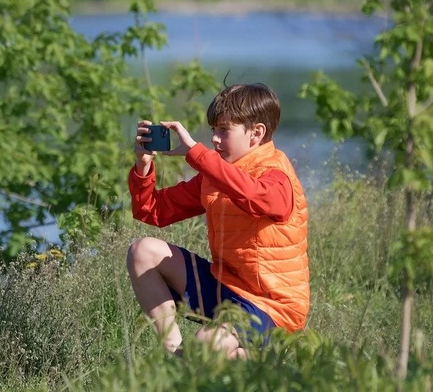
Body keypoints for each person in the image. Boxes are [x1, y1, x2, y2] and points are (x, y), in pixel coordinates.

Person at [127, 83, 309, 359]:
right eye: (213, 129)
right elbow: (153, 210)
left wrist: (199, 156)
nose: (214, 138)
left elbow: (254, 196)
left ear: (256, 133)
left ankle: (264, 360)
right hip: (225, 287)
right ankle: (175, 357)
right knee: (142, 252)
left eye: (224, 130)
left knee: (206, 343)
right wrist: (144, 165)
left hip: (273, 308)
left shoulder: (276, 176)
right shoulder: (216, 175)